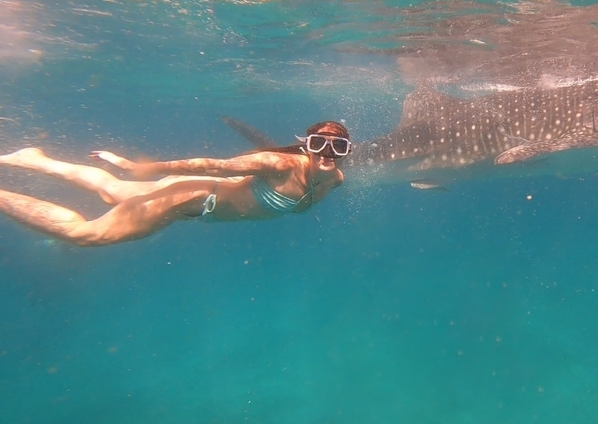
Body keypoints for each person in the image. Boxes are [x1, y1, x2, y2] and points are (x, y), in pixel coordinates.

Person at [0, 121, 350, 247]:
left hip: (193, 196)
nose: (327, 153)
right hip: (189, 198)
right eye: (318, 144)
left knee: (111, 190)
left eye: (338, 147)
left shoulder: (333, 180)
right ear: (306, 145)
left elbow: (300, 206)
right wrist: (138, 167)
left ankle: (35, 159)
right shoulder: (278, 163)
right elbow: (213, 165)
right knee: (85, 235)